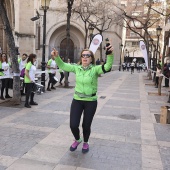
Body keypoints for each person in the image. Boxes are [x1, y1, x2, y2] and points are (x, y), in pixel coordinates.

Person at [51, 43, 114, 153]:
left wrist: (109, 54)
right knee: (73, 125)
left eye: (87, 56)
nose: (85, 57)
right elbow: (63, 66)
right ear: (81, 58)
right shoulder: (77, 68)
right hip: (77, 100)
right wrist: (56, 57)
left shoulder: (95, 70)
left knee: (86, 125)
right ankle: (77, 139)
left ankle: (85, 142)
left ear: (91, 59)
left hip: (91, 101)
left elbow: (108, 67)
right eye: (83, 55)